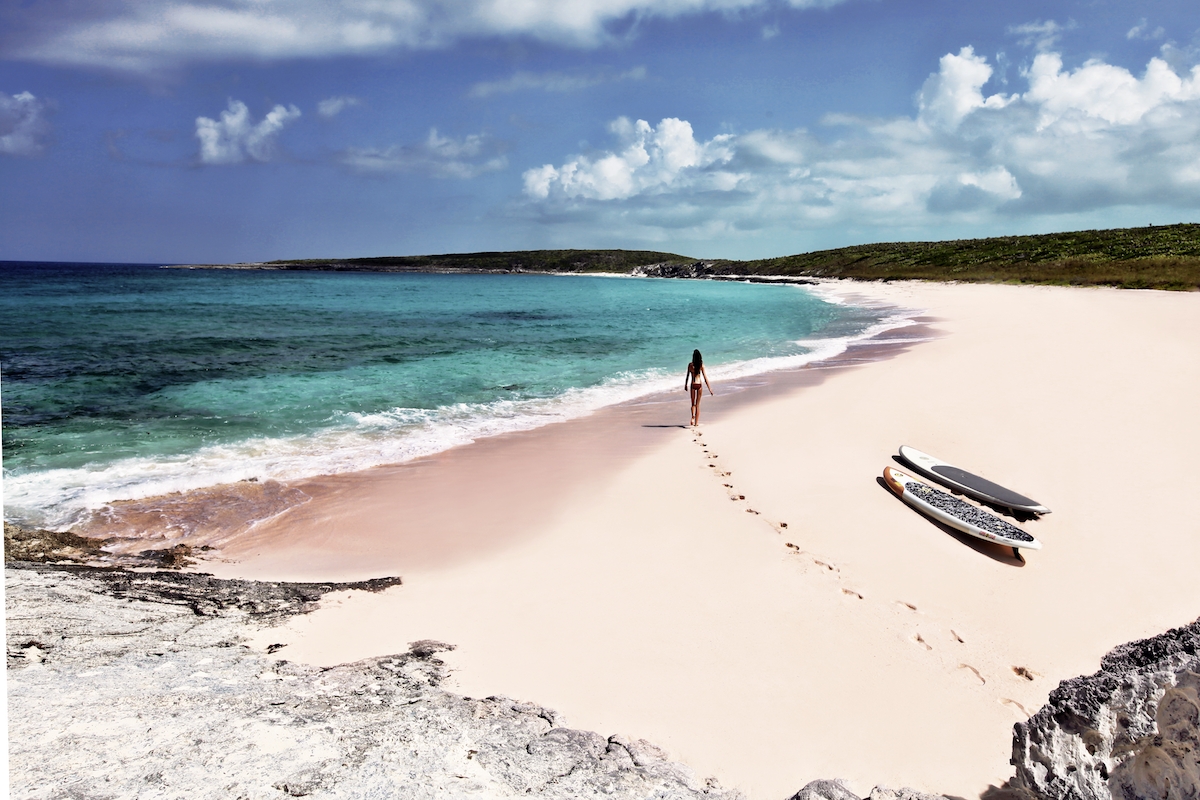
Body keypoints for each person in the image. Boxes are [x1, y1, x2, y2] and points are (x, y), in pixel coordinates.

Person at [684, 349, 713, 426]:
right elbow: (705, 378)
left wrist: (685, 385)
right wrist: (710, 389)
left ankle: (693, 416)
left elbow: (687, 376)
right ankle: (696, 423)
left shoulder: (690, 365)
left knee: (692, 403)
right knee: (698, 405)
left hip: (693, 385)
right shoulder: (701, 365)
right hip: (699, 385)